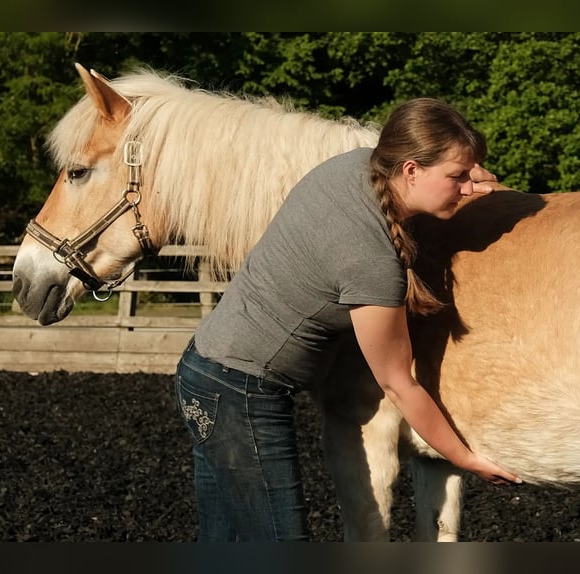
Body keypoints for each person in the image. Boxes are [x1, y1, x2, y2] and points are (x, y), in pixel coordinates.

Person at [175, 97, 521, 542]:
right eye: (456, 178)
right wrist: (467, 458)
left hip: (205, 372)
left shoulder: (356, 166)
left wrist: (466, 173)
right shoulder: (370, 260)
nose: (465, 188)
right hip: (238, 393)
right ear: (411, 170)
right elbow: (400, 384)